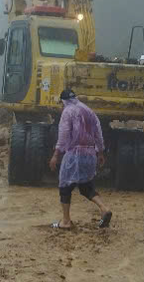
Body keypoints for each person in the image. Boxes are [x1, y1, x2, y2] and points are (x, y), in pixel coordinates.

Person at [48, 89, 113, 229]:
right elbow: (98, 133)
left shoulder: (68, 111)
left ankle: (65, 221)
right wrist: (100, 152)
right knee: (86, 186)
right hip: (90, 154)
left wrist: (56, 155)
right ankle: (104, 208)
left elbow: (64, 134)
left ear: (63, 101)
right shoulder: (89, 111)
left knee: (65, 186)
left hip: (74, 155)